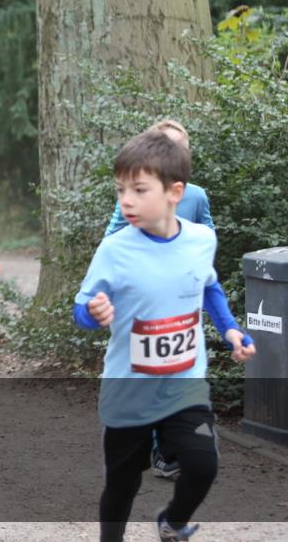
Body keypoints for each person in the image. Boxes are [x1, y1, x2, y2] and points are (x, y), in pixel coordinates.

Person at [73, 130, 255, 542]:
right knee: (123, 483)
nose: (127, 200)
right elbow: (80, 309)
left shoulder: (200, 239)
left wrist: (229, 328)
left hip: (183, 384)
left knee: (202, 463)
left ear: (176, 191)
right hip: (128, 388)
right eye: (121, 190)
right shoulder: (115, 249)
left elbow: (207, 286)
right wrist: (93, 312)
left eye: (139, 189)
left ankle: (172, 522)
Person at [105, 120, 216, 480]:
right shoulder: (135, 197)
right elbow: (114, 234)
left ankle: (175, 446)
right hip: (142, 297)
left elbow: (207, 235)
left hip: (181, 298)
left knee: (182, 369)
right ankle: (154, 445)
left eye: (181, 147)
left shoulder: (196, 196)